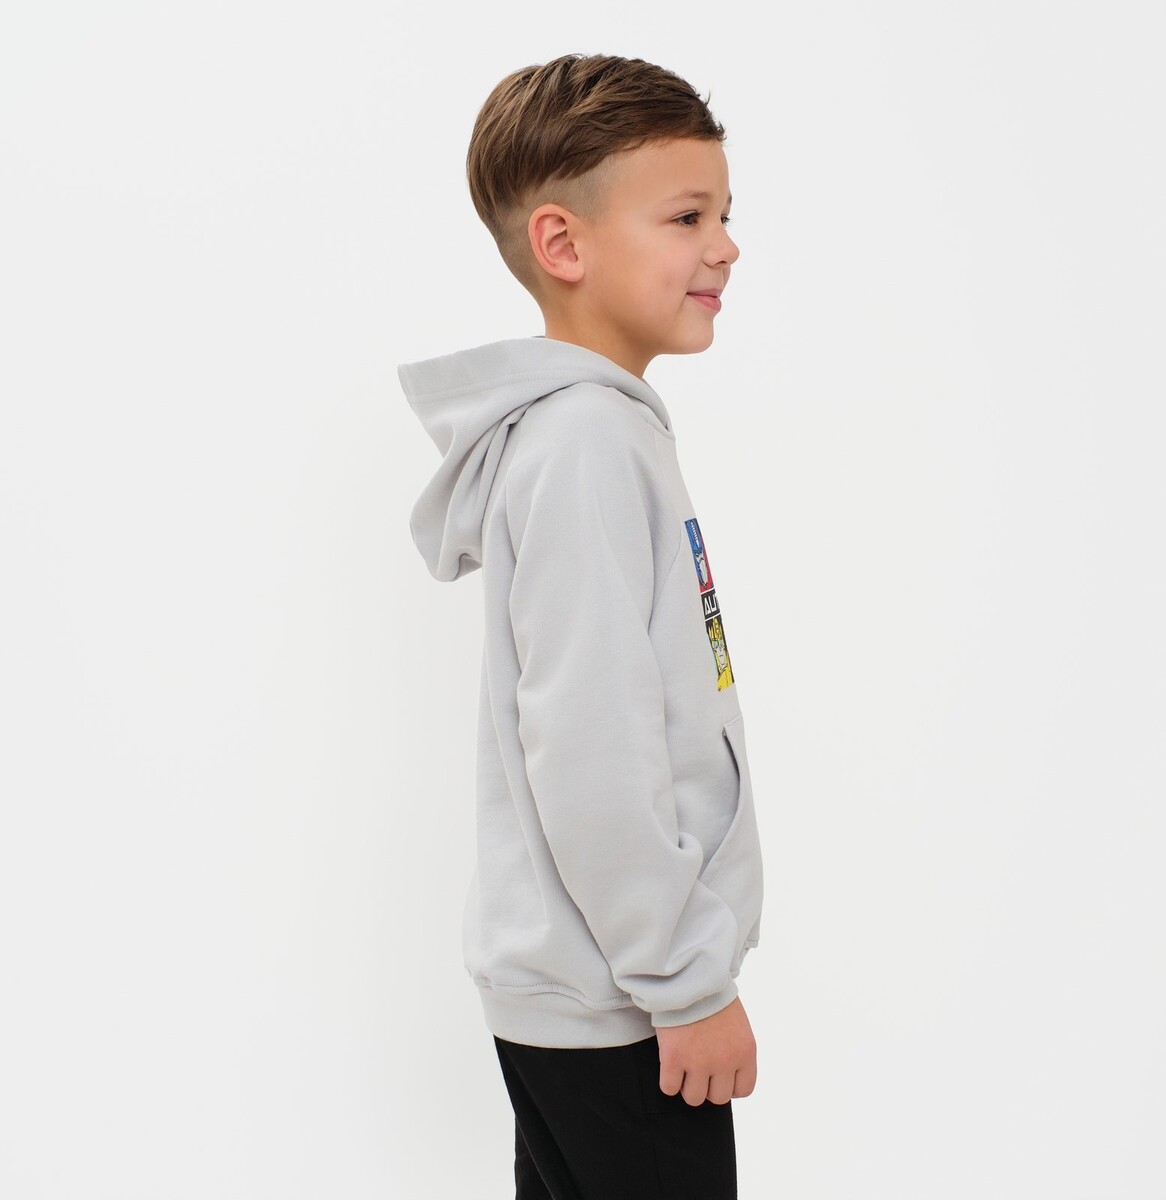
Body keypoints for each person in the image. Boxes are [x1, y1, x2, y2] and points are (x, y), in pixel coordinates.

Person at [398, 52, 764, 1199]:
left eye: (726, 214)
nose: (726, 246)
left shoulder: (593, 434)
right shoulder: (586, 445)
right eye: (688, 216)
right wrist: (686, 983)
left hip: (594, 989)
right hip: (621, 1002)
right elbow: (591, 749)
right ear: (563, 244)